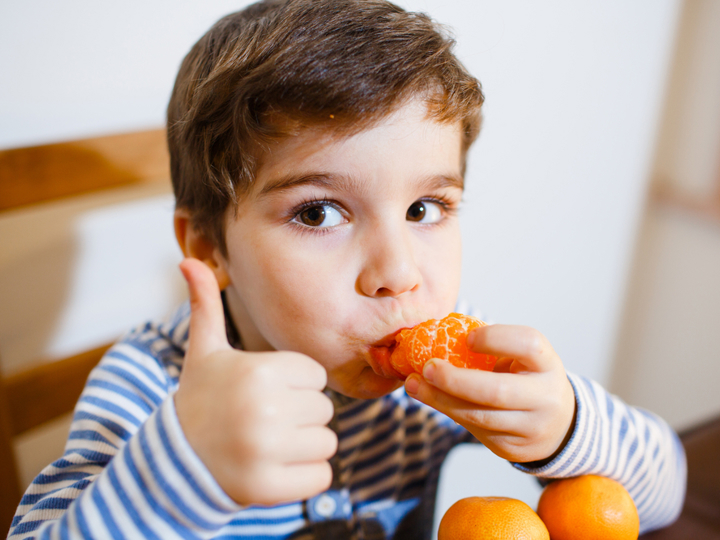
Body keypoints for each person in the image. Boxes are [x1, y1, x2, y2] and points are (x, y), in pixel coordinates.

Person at [9, 0, 686, 538]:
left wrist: (565, 428)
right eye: (318, 213)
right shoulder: (153, 390)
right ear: (210, 247)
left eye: (425, 207)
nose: (398, 274)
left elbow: (667, 490)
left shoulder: (437, 385)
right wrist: (178, 472)